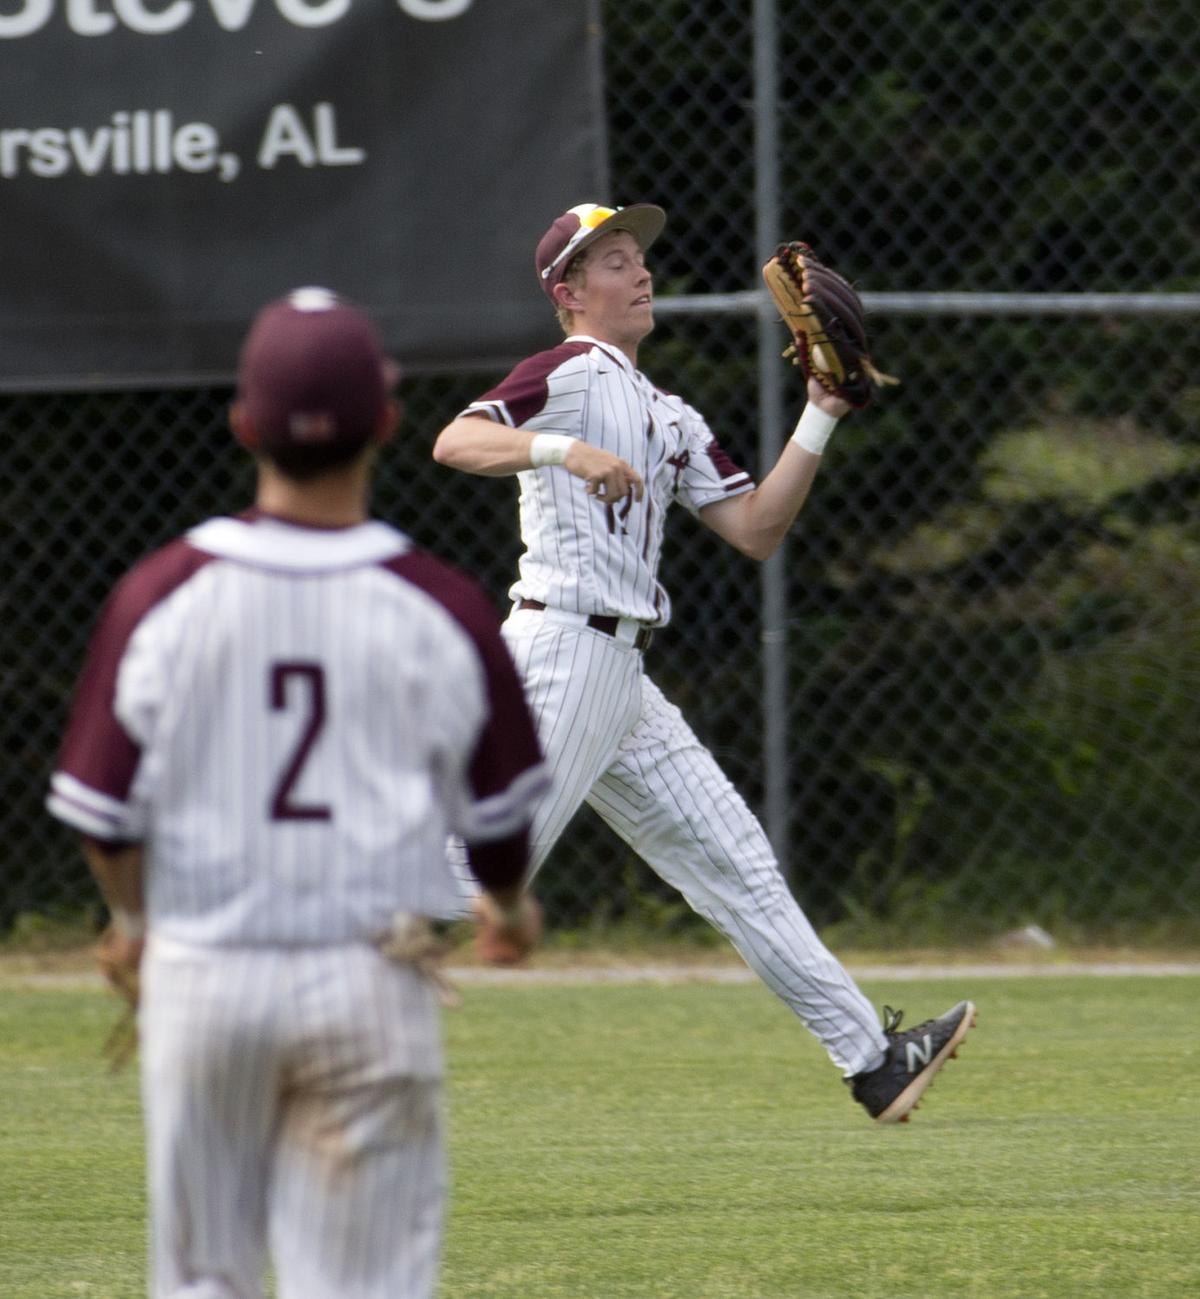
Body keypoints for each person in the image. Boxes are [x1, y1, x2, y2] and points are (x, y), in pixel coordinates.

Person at [46, 287, 549, 1298]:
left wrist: (130, 919)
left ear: (242, 425)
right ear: (389, 424)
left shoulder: (163, 590)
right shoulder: (439, 602)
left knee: (203, 1279)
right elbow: (498, 820)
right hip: (368, 981)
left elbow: (104, 808)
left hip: (207, 978)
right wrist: (505, 905)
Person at [432, 202, 975, 1123]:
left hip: (623, 678)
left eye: (638, 256)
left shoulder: (669, 415)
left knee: (738, 865)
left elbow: (756, 528)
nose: (637, 271)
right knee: (479, 876)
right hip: (564, 646)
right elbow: (458, 440)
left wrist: (822, 412)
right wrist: (566, 449)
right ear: (568, 293)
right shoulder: (569, 371)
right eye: (610, 261)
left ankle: (873, 1061)